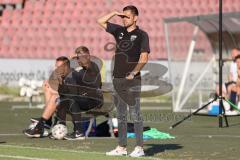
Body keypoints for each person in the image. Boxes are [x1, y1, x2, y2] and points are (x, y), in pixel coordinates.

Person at [97, 5, 150, 157]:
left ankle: (139, 147)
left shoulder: (142, 35)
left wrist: (134, 73)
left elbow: (144, 57)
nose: (124, 19)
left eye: (127, 16)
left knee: (135, 113)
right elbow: (99, 21)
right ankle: (121, 147)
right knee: (120, 115)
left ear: (135, 18)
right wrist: (114, 13)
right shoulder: (119, 31)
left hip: (132, 80)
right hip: (117, 79)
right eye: (123, 16)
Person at [55, 46, 103, 140]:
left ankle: (79, 132)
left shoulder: (93, 66)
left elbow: (87, 63)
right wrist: (61, 81)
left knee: (71, 100)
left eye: (81, 57)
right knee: (62, 99)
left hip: (94, 100)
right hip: (83, 99)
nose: (79, 59)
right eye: (78, 58)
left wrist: (73, 58)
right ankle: (61, 128)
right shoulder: (76, 72)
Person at [23, 56, 77, 137]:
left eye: (59, 67)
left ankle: (42, 124)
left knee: (55, 96)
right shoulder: (62, 75)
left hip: (76, 104)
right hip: (66, 102)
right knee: (47, 85)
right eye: (56, 66)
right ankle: (47, 120)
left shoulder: (73, 76)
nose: (56, 68)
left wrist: (53, 91)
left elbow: (71, 94)